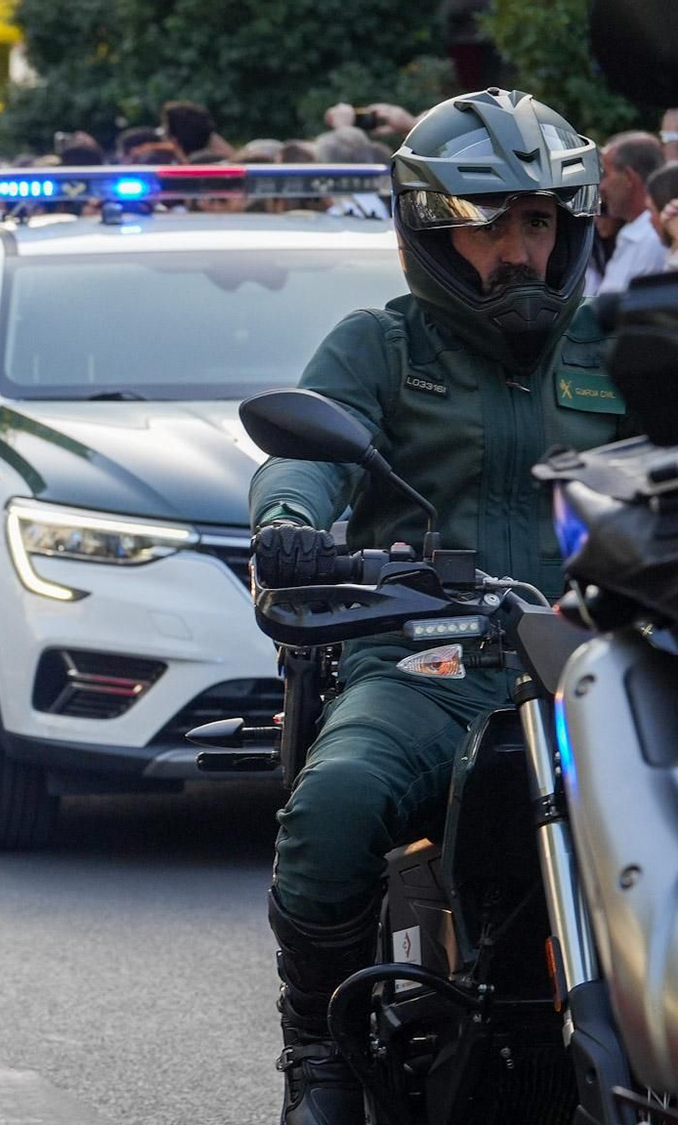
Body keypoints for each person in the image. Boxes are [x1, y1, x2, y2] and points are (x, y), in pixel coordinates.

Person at [247, 89, 626, 1125]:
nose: (516, 248)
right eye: (487, 223)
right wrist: (294, 529)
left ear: (571, 227)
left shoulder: (622, 348)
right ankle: (315, 1050)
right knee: (331, 810)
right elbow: (298, 466)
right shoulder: (377, 345)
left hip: (603, 668)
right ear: (428, 231)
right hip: (428, 662)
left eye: (536, 222)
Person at [589, 130, 667, 294]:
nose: (601, 187)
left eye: (606, 175)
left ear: (629, 178)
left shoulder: (652, 239)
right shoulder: (637, 234)